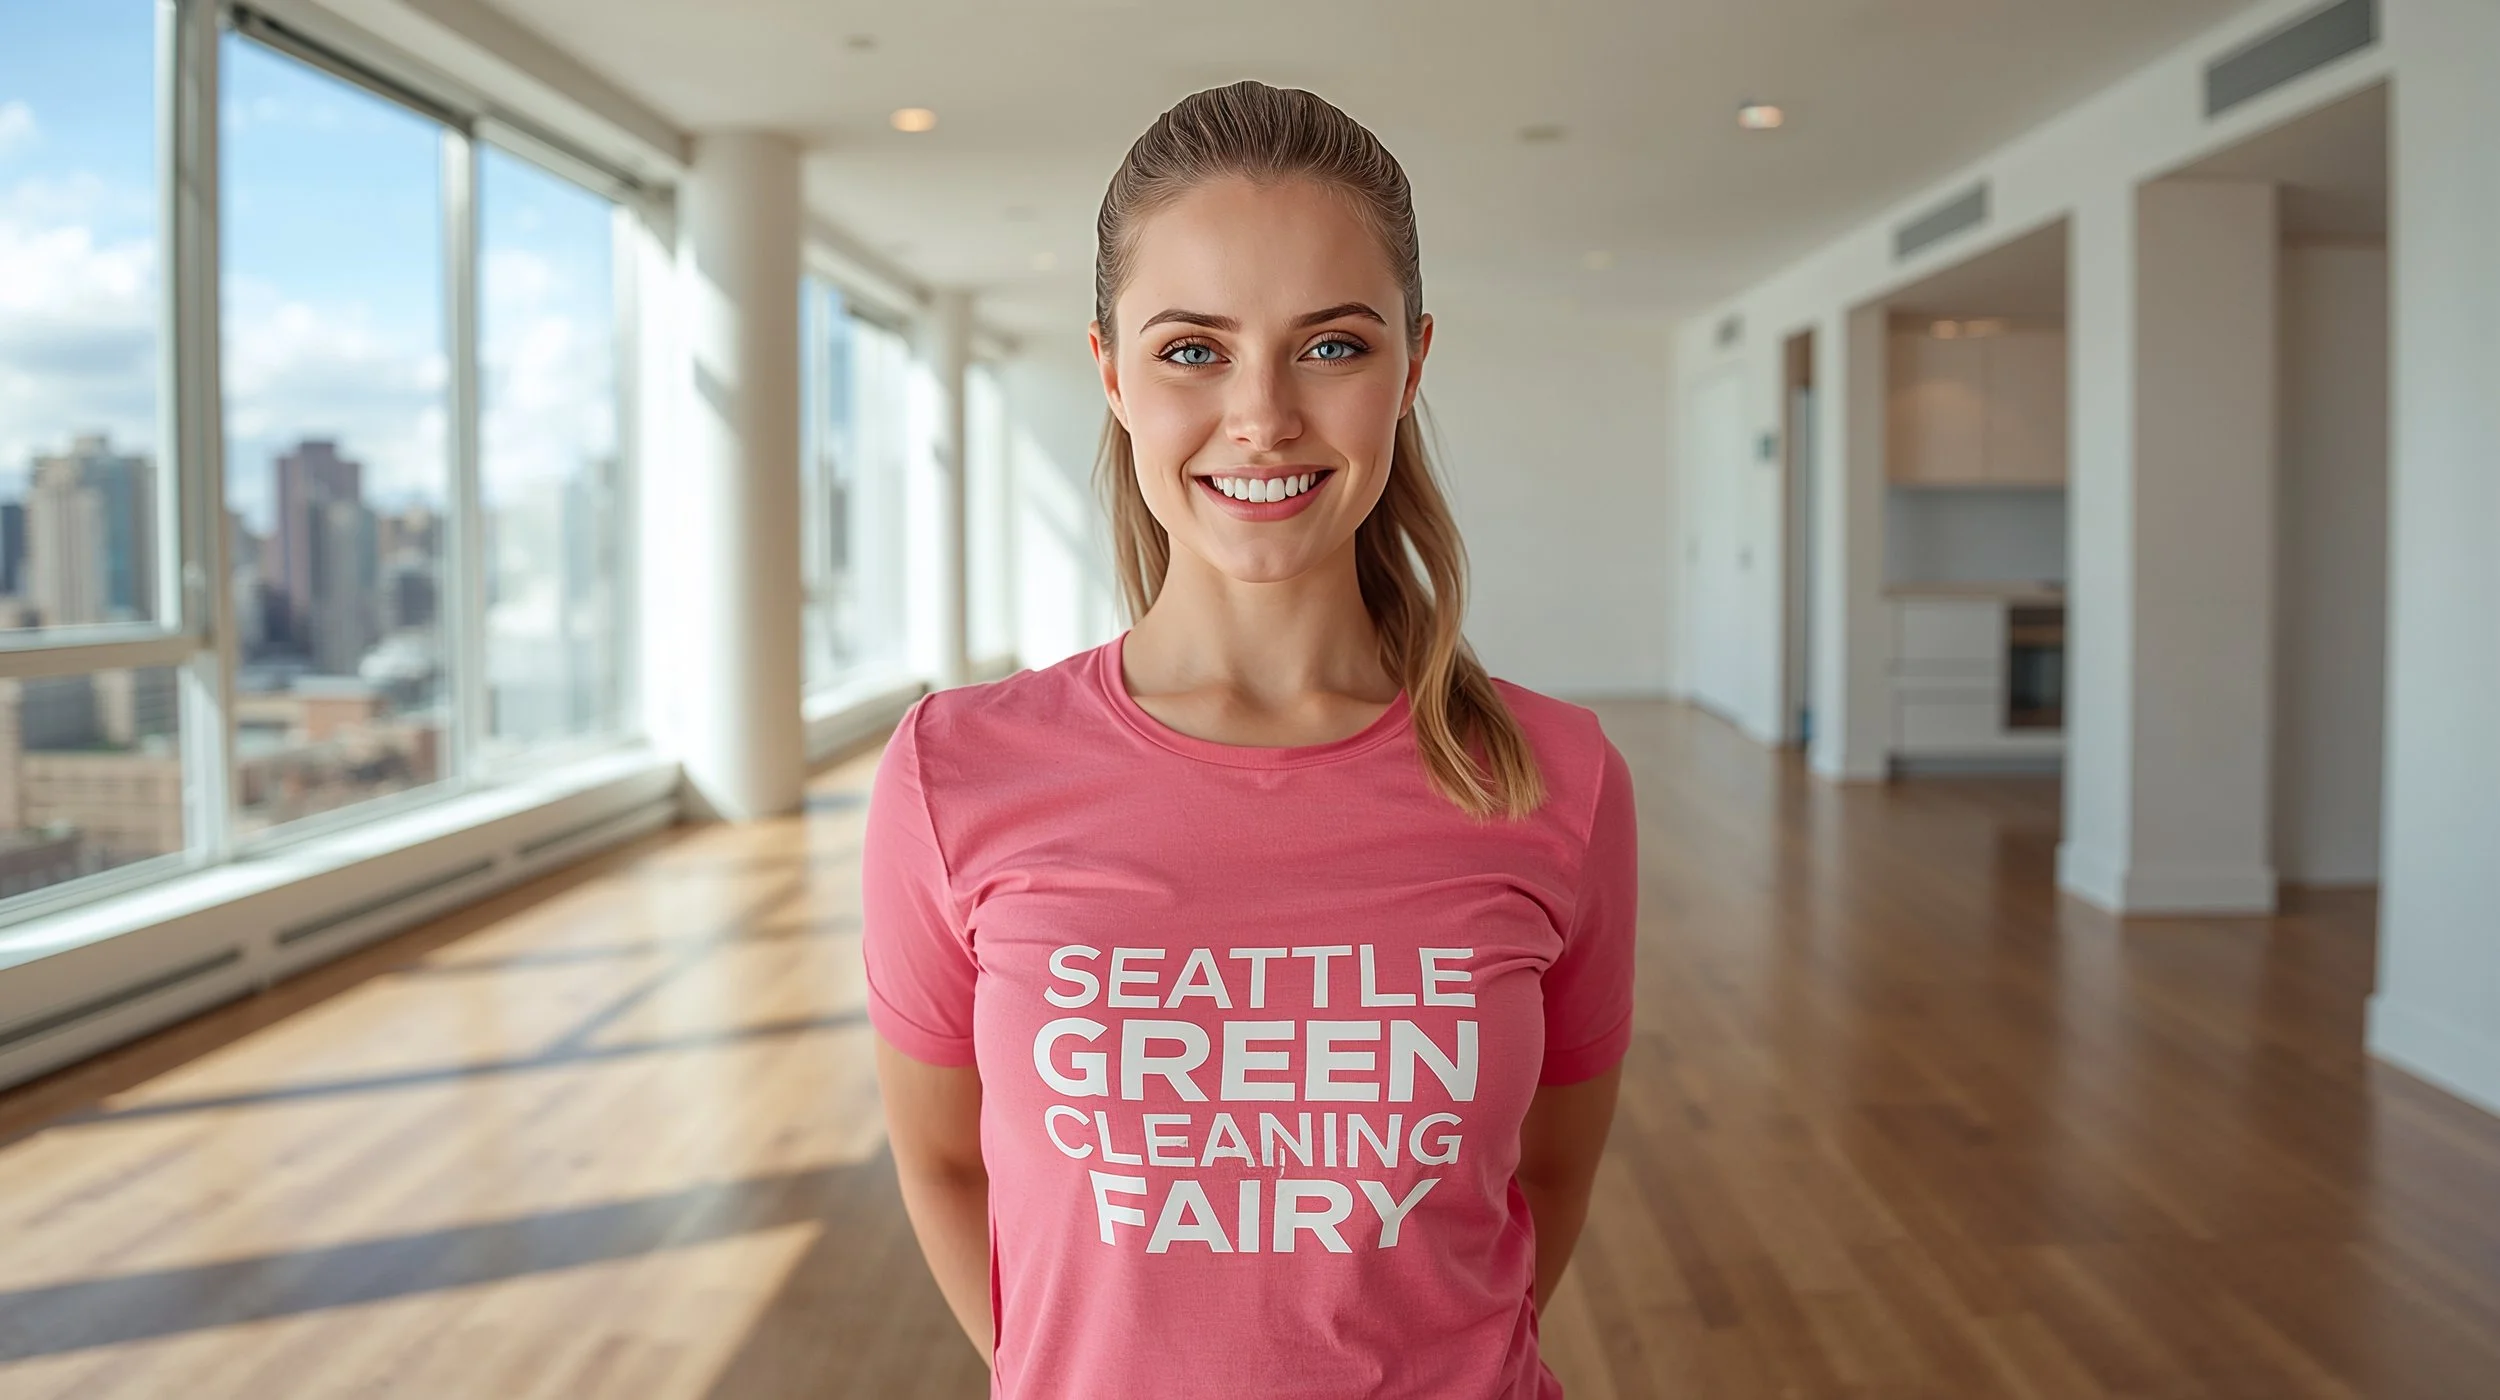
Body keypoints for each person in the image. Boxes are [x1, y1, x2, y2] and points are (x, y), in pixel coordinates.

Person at [863, 79, 1639, 1399]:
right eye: (1193, 349)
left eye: (1332, 346)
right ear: (1111, 371)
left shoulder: (1551, 778)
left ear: (1412, 363)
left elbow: (1549, 1175)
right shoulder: (954, 772)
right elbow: (943, 1161)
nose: (1265, 415)